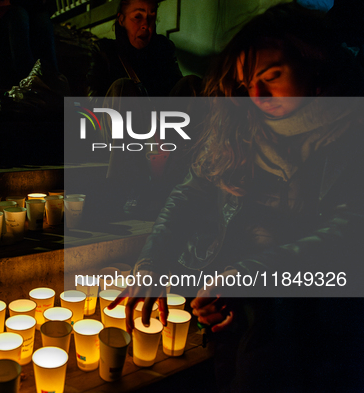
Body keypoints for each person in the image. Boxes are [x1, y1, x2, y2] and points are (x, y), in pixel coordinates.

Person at [110, 3, 364, 391]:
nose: (257, 96)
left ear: (315, 64)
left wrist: (245, 278)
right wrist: (152, 262)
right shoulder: (241, 128)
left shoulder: (348, 134)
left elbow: (348, 234)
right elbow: (190, 193)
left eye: (272, 76)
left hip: (304, 323)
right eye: (246, 85)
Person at [87, 0, 184, 217]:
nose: (145, 25)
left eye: (151, 17)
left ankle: (189, 185)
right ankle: (121, 187)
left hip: (156, 130)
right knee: (123, 88)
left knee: (191, 86)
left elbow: (176, 93)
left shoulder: (163, 50)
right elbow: (93, 104)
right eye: (137, 17)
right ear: (121, 19)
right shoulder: (106, 51)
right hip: (112, 128)